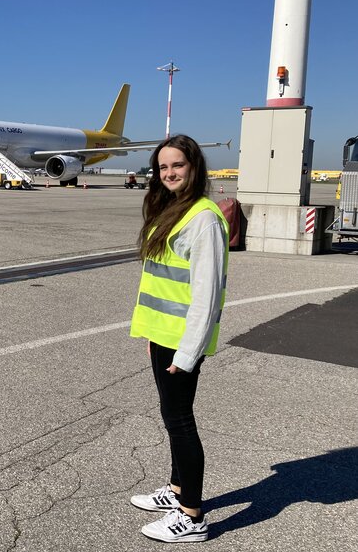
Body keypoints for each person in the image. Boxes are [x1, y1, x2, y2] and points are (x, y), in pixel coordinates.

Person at [128, 134, 229, 543]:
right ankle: (175, 491)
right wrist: (154, 334)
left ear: (194, 168)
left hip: (182, 342)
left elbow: (206, 294)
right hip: (164, 335)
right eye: (163, 167)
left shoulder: (203, 218)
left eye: (177, 166)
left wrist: (187, 353)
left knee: (180, 421)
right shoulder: (172, 210)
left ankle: (192, 516)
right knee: (172, 417)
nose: (168, 173)